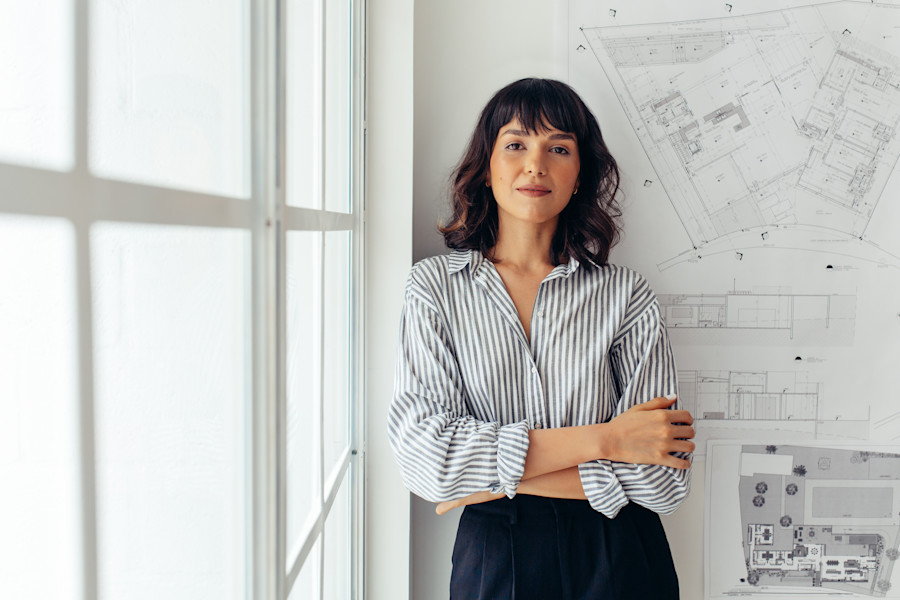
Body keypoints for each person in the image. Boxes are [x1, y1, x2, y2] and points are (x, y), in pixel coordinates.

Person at [387, 78, 695, 599]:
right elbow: (429, 461)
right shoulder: (435, 288)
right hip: (494, 561)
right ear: (486, 168)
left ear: (580, 176)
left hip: (621, 554)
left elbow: (663, 482)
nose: (536, 164)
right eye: (515, 145)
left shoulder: (626, 294)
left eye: (558, 148)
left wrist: (490, 483)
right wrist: (609, 439)